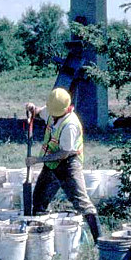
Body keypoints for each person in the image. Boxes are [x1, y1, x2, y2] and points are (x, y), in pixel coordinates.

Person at [24, 88, 100, 241]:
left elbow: (64, 153)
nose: (52, 114)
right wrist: (33, 109)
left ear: (65, 108)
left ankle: (100, 240)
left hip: (69, 165)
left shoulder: (70, 125)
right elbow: (40, 112)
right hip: (51, 164)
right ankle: (40, 238)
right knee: (38, 200)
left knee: (81, 202)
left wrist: (38, 160)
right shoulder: (53, 110)